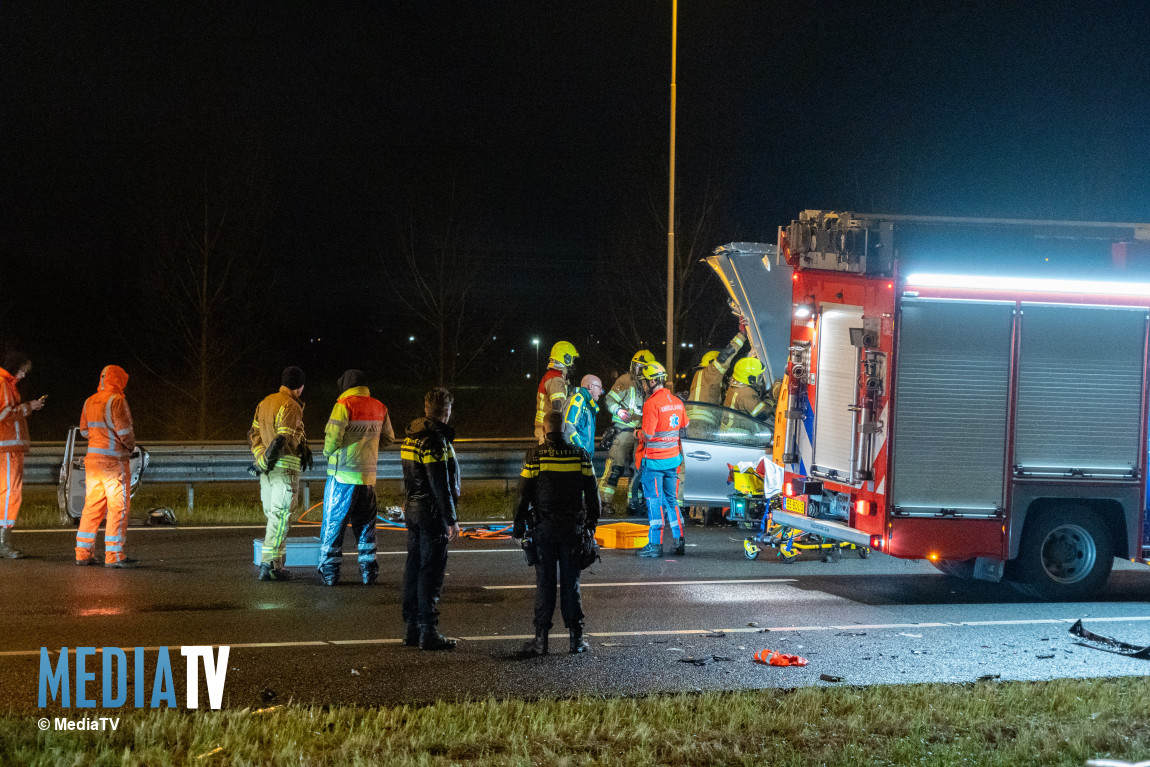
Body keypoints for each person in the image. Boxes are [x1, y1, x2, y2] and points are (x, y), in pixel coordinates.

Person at [513, 410, 600, 655]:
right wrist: (592, 523)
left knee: (545, 584)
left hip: (544, 530)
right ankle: (577, 640)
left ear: (544, 429)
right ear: (564, 429)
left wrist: (518, 526)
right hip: (572, 530)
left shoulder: (535, 456)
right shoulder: (580, 455)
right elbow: (593, 494)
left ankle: (541, 642)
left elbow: (522, 494)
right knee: (571, 583)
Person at [318, 369, 394, 586]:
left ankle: (330, 573)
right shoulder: (379, 406)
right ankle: (369, 572)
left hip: (342, 478)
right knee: (366, 528)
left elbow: (333, 438)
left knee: (334, 525)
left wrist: (328, 452)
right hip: (368, 479)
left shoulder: (344, 405)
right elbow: (389, 438)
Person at [400, 387, 461, 651]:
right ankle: (429, 631)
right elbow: (440, 484)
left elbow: (410, 479)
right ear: (446, 412)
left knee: (413, 568)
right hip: (431, 513)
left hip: (413, 509)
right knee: (431, 571)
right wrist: (452, 519)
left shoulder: (411, 437)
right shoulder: (434, 441)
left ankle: (412, 628)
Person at [248, 366, 309, 581]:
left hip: (268, 472)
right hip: (284, 470)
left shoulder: (265, 402)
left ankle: (277, 564)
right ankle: (270, 565)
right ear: (300, 387)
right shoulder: (291, 405)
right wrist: (266, 460)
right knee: (281, 516)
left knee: (274, 517)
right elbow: (282, 439)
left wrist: (260, 459)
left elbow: (254, 434)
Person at [74, 365, 138, 567]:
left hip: (93, 462)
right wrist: (129, 447)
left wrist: (99, 438)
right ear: (119, 381)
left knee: (92, 508)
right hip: (113, 463)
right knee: (118, 508)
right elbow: (125, 432)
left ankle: (83, 553)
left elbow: (84, 431)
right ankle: (115, 556)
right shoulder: (117, 401)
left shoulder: (89, 401)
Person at [634, 361, 689, 558]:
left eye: (643, 382)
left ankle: (655, 545)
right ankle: (679, 540)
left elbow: (647, 435)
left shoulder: (652, 403)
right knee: (672, 501)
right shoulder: (677, 401)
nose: (642, 385)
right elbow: (684, 426)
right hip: (673, 461)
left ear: (651, 381)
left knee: (654, 503)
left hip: (654, 463)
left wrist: (636, 433)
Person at [599, 350, 655, 513]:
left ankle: (633, 503)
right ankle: (605, 502)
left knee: (637, 470)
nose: (638, 371)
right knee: (615, 468)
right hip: (623, 430)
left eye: (642, 367)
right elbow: (609, 399)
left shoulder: (650, 385)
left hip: (641, 434)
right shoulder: (624, 381)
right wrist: (619, 411)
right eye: (636, 367)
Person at [0, 352, 44, 558]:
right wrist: (28, 407)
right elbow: (4, 413)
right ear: (13, 366)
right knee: (10, 494)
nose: (24, 375)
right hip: (7, 449)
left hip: (8, 448)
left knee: (7, 494)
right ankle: (3, 543)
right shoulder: (3, 384)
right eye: (22, 370)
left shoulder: (7, 384)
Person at [688, 325, 748, 405]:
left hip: (695, 413)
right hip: (705, 415)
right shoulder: (711, 372)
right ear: (712, 363)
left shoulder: (699, 374)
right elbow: (726, 355)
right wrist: (742, 335)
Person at [534, 341, 578, 443]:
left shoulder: (556, 377)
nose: (573, 363)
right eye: (572, 359)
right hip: (551, 429)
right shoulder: (555, 378)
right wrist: (560, 429)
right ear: (566, 359)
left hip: (548, 427)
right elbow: (557, 406)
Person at [722, 357, 778, 430]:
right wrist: (769, 400)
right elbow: (762, 414)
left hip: (729, 428)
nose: (761, 378)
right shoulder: (746, 392)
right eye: (759, 376)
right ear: (750, 378)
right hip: (738, 432)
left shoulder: (735, 385)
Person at [561, 374, 602, 456]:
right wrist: (582, 449)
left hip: (582, 456)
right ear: (591, 386)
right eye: (600, 388)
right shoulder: (578, 400)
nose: (601, 392)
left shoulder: (587, 404)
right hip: (576, 457)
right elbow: (568, 426)